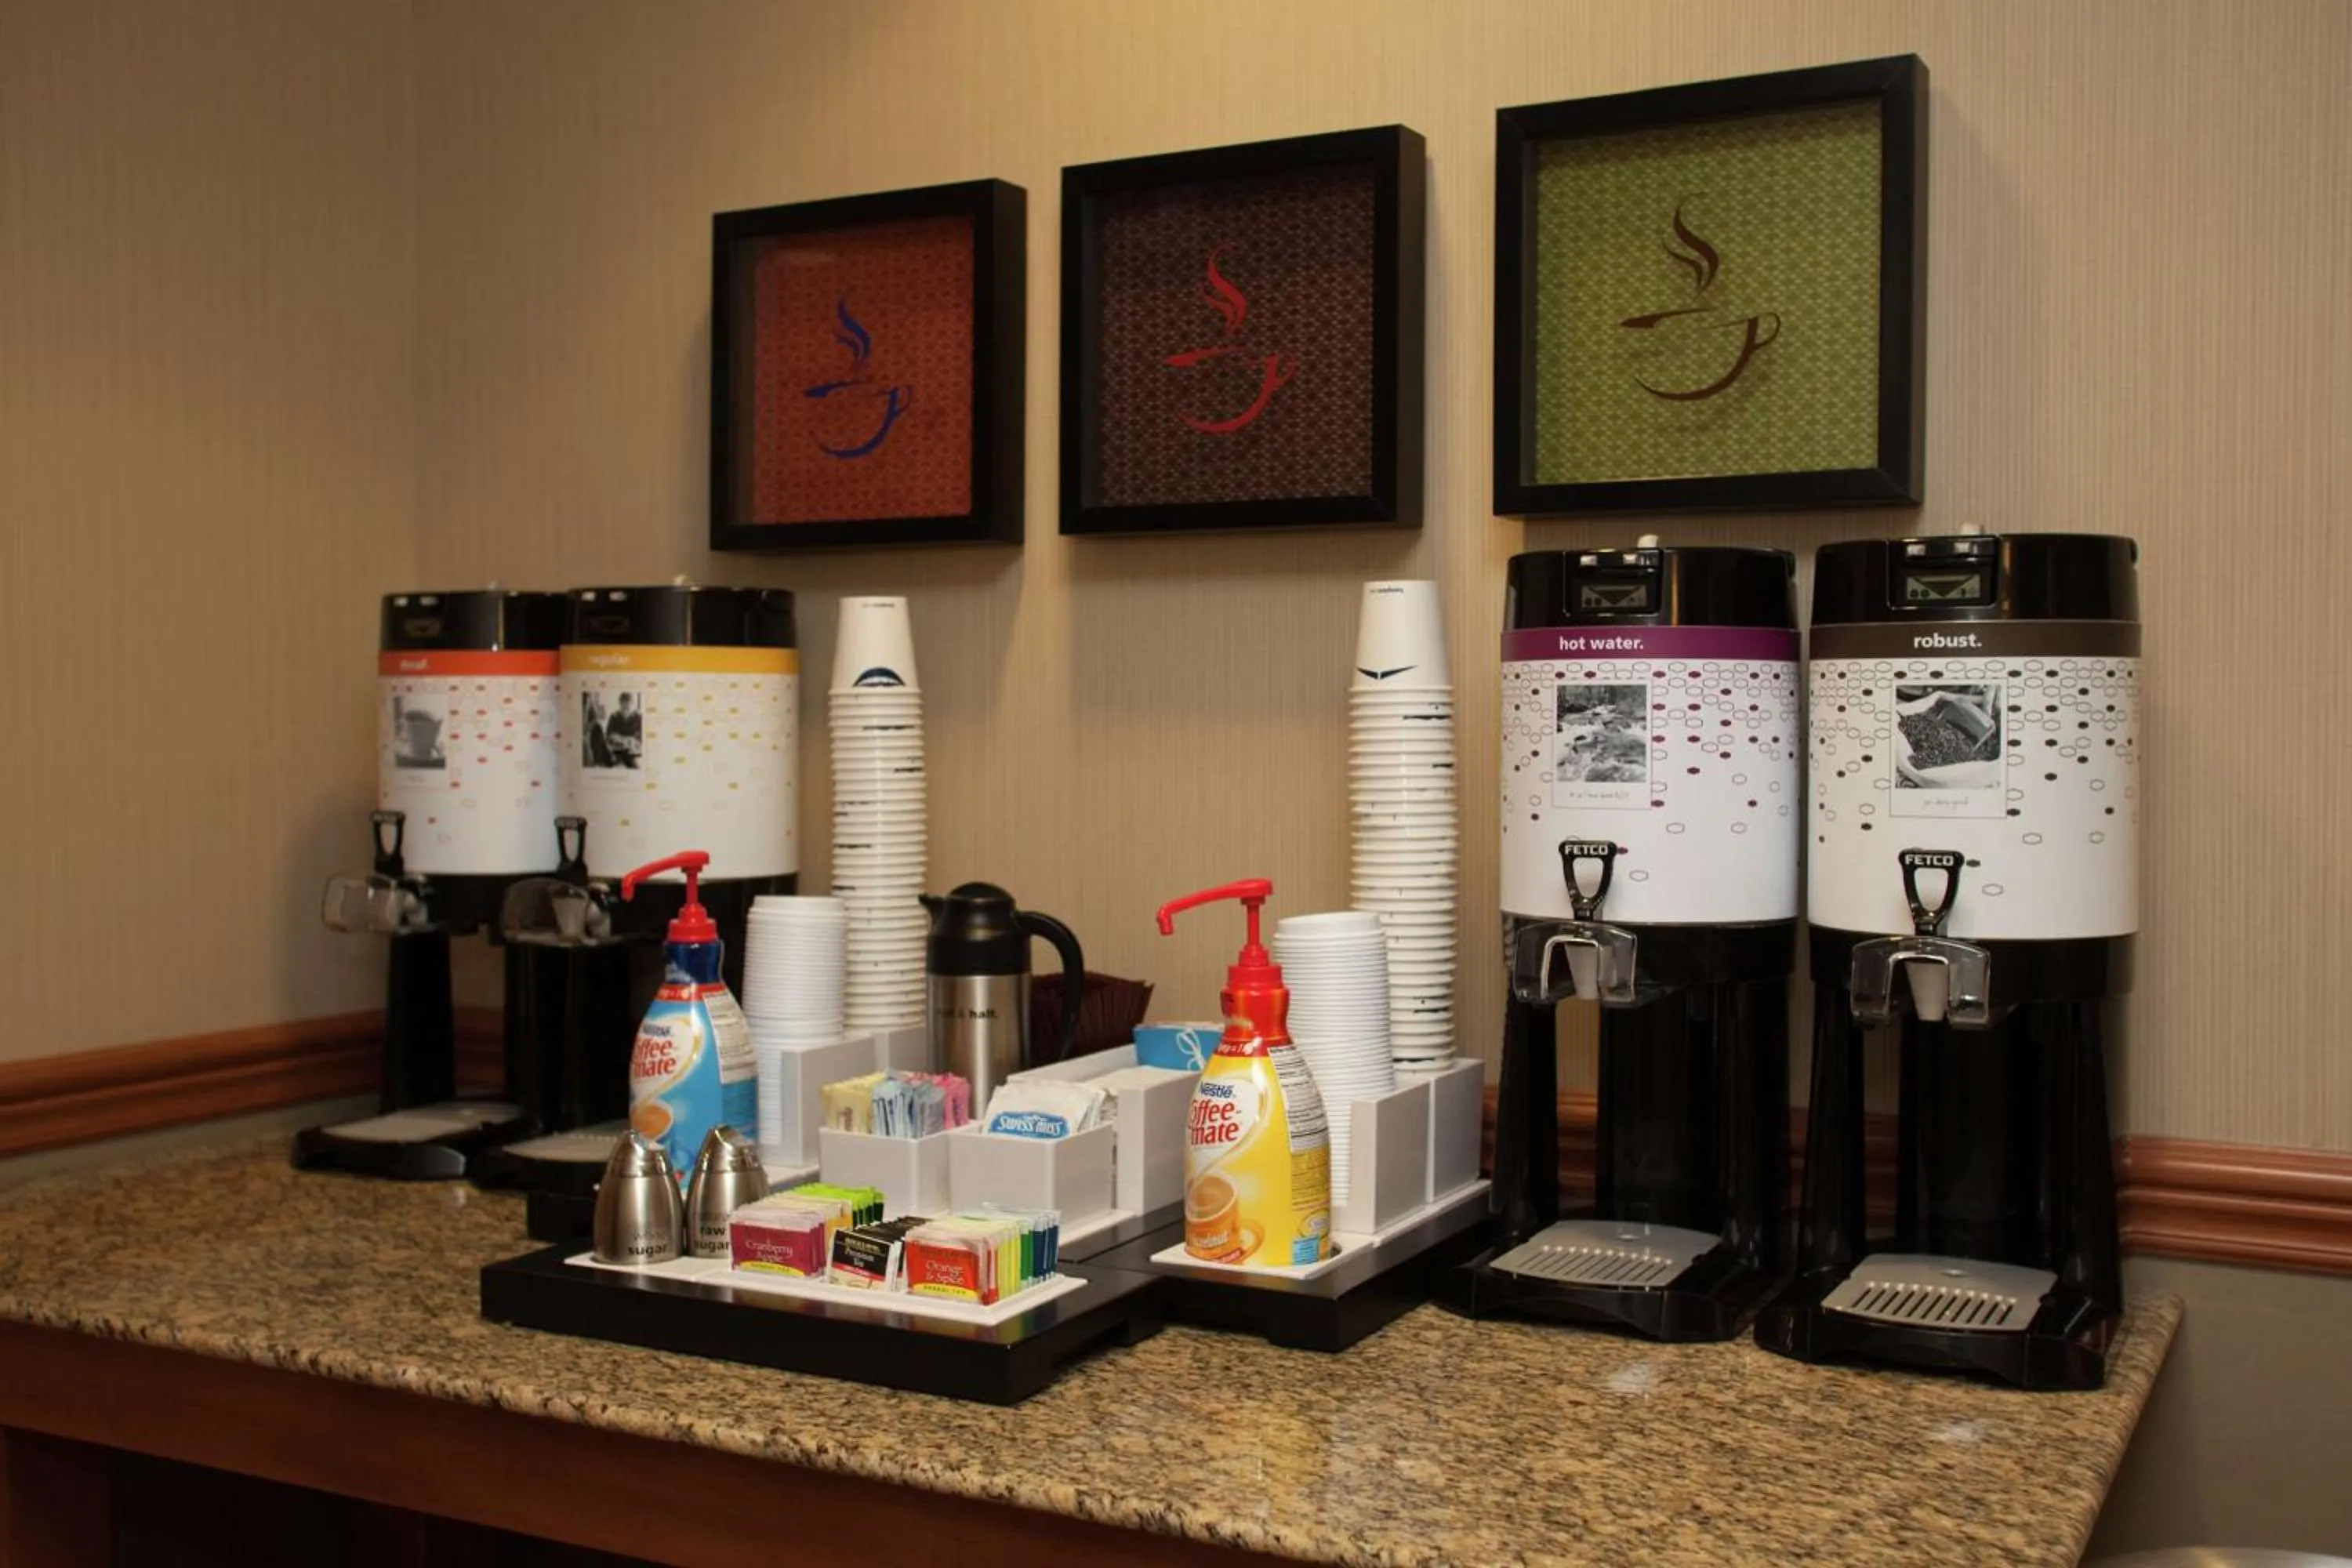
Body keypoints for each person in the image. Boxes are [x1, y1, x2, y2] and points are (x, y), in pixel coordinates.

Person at [605, 692, 642, 769]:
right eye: (623, 706)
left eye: (628, 707)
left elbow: (642, 737)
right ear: (620, 704)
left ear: (632, 705)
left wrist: (634, 741)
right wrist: (616, 739)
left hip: (634, 752)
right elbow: (608, 735)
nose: (625, 709)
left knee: (636, 766)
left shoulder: (639, 717)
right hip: (617, 751)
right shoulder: (614, 717)